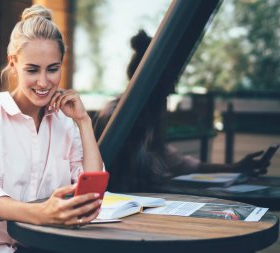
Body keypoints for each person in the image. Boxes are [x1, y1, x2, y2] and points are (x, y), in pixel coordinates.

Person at [0, 5, 103, 253]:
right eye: (32, 70)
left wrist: (83, 121)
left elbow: (92, 191)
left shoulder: (66, 124)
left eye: (53, 69)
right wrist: (43, 213)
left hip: (43, 247)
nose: (44, 82)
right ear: (13, 63)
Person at [93, 29, 268, 192]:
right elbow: (146, 171)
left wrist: (234, 168)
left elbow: (177, 162)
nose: (173, 91)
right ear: (152, 83)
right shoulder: (116, 118)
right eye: (170, 84)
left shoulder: (144, 118)